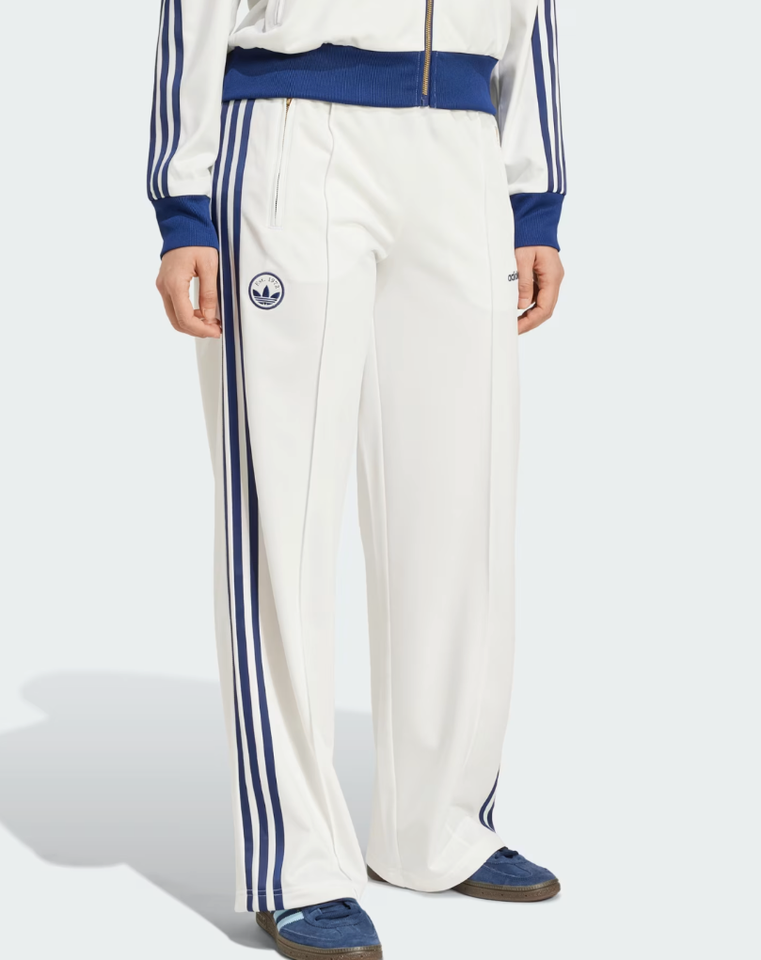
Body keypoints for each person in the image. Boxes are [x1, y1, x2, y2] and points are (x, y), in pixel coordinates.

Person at [148, 1, 566, 957]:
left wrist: (534, 195)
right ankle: (298, 864)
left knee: (460, 506)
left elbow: (537, 20)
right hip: (291, 131)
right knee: (282, 513)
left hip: (462, 147)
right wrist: (182, 206)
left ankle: (436, 826)